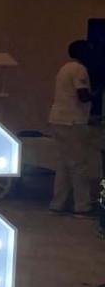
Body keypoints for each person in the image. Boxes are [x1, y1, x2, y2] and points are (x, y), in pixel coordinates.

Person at [48, 40, 97, 216]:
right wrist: (96, 95)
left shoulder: (64, 68)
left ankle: (57, 203)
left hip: (57, 119)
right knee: (78, 165)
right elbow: (82, 95)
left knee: (63, 164)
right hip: (73, 121)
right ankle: (82, 206)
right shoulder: (80, 70)